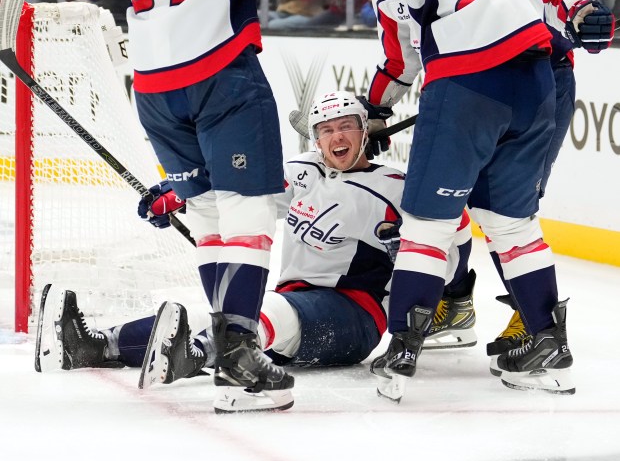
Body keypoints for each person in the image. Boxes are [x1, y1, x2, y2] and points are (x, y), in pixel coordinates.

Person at [60, 0, 433, 413]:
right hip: (219, 72)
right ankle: (237, 354)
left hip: (152, 87)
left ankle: (226, 344)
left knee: (209, 220)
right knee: (250, 214)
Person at [218, 0, 619, 401]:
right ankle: (544, 339)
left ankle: (405, 348)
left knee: (428, 220)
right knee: (510, 219)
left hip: (467, 82)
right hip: (539, 81)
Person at [34, 92, 414, 392]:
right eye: (326, 130)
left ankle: (197, 355)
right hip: (291, 302)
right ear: (315, 139)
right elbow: (240, 194)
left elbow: (433, 256)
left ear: (364, 132)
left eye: (346, 126)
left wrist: (405, 256)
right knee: (219, 317)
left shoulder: (393, 188)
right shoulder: (304, 171)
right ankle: (95, 345)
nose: (337, 137)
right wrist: (183, 193)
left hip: (355, 316)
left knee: (261, 314)